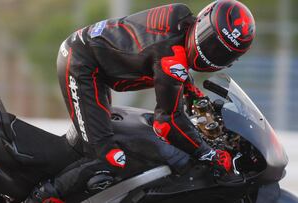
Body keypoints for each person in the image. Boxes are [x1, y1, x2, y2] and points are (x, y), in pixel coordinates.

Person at [29, 0, 256, 202]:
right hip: (82, 64)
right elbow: (167, 123)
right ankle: (42, 197)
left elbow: (161, 53)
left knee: (106, 140)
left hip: (96, 65)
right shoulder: (172, 58)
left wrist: (191, 93)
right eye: (209, 41)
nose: (210, 52)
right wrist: (209, 154)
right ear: (202, 19)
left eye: (221, 53)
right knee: (109, 157)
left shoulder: (181, 19)